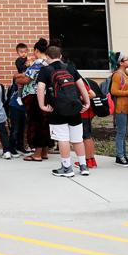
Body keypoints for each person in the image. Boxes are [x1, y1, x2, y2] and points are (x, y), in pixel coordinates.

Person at [37, 45, 90, 178]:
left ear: (47, 57)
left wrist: (42, 105)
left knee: (63, 139)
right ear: (60, 56)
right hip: (74, 107)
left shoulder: (45, 70)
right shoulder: (70, 67)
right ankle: (83, 166)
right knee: (77, 139)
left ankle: (67, 168)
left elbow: (40, 88)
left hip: (57, 109)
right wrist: (87, 102)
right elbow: (81, 86)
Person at [21, 40, 51, 162]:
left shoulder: (38, 63)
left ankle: (37, 154)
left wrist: (16, 79)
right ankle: (44, 152)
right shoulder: (49, 62)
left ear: (36, 50)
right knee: (45, 123)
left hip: (34, 96)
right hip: (46, 95)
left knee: (36, 124)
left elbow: (27, 79)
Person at [109, 54, 128, 166]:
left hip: (126, 107)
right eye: (127, 60)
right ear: (121, 63)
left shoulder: (124, 74)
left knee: (124, 132)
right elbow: (113, 91)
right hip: (120, 108)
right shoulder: (117, 75)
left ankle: (124, 155)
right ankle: (119, 156)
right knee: (121, 132)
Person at [6, 42, 30, 154]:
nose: (24, 54)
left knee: (22, 128)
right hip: (15, 105)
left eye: (25, 52)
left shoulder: (27, 66)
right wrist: (27, 65)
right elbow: (21, 70)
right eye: (21, 52)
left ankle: (20, 146)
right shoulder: (18, 76)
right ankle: (11, 148)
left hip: (23, 106)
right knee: (15, 128)